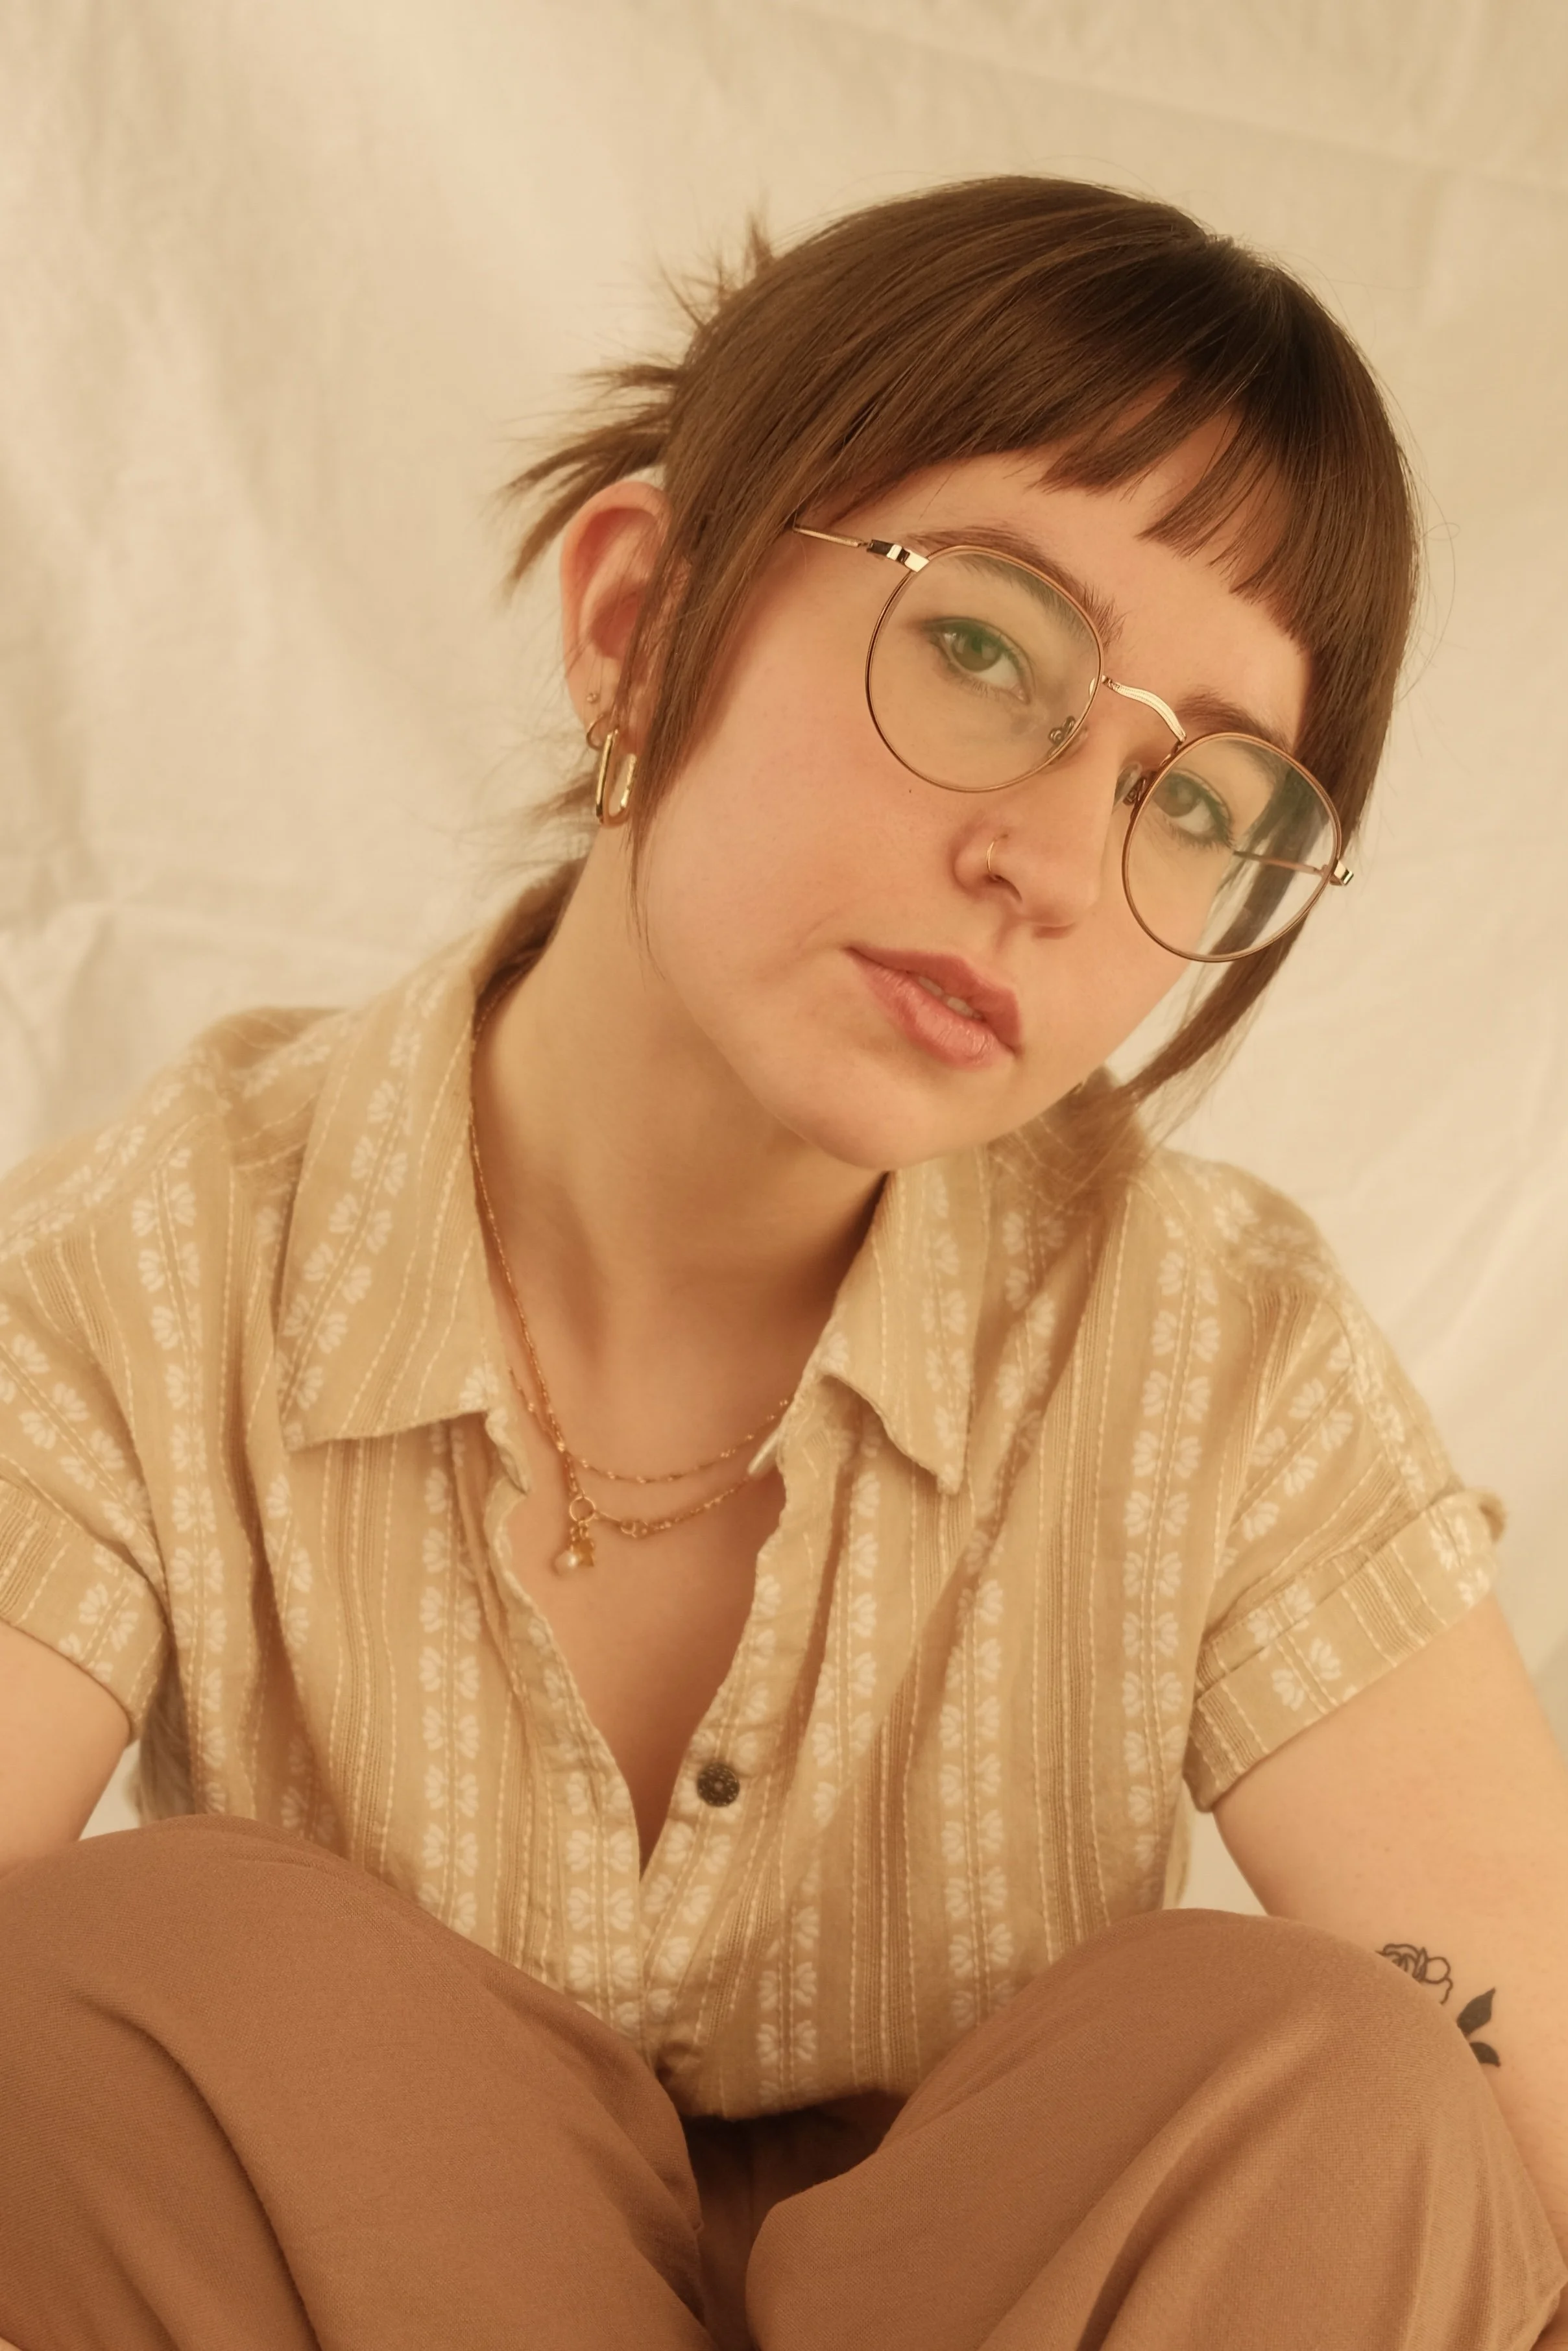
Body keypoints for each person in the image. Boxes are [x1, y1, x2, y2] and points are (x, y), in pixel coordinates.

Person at [0, 173, 1565, 2351]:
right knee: (105, 1996)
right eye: (986, 648)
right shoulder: (147, 1269)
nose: (1052, 863)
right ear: (640, 624)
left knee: (1341, 2089)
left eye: (1205, 803)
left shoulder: (1221, 1356)